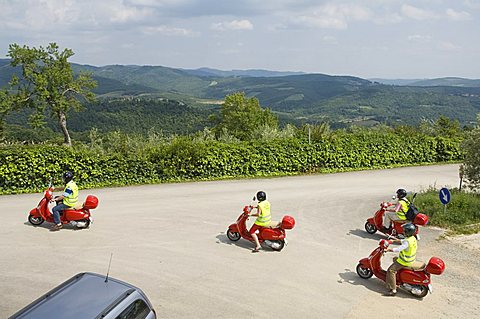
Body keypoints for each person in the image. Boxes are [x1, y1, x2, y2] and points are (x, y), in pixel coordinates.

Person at [385, 223, 418, 296]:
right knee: (394, 259)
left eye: (404, 231)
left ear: (407, 232)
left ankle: (393, 289)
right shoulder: (412, 238)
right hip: (411, 259)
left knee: (391, 270)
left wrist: (389, 250)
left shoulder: (407, 242)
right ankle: (397, 278)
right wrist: (394, 240)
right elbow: (403, 241)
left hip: (404, 261)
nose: (403, 232)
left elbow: (399, 249)